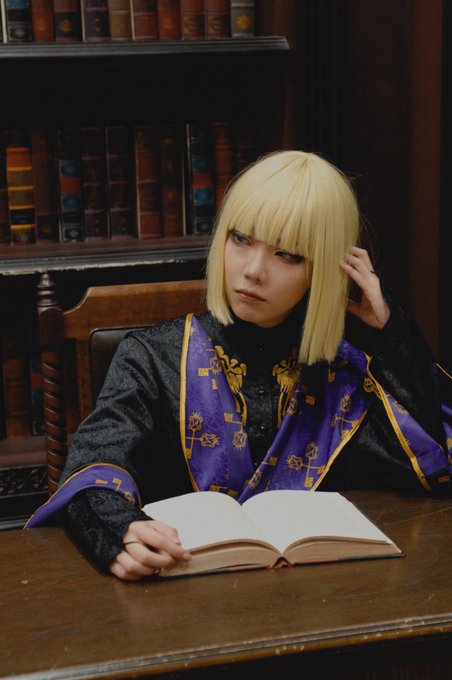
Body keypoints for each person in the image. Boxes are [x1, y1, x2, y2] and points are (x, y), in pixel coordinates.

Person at [27, 150, 451, 581]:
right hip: (176, 589)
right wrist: (119, 532)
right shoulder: (153, 357)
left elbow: (433, 461)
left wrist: (393, 331)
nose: (253, 271)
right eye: (241, 239)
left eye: (287, 254)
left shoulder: (340, 374)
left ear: (324, 269)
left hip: (318, 595)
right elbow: (94, 468)